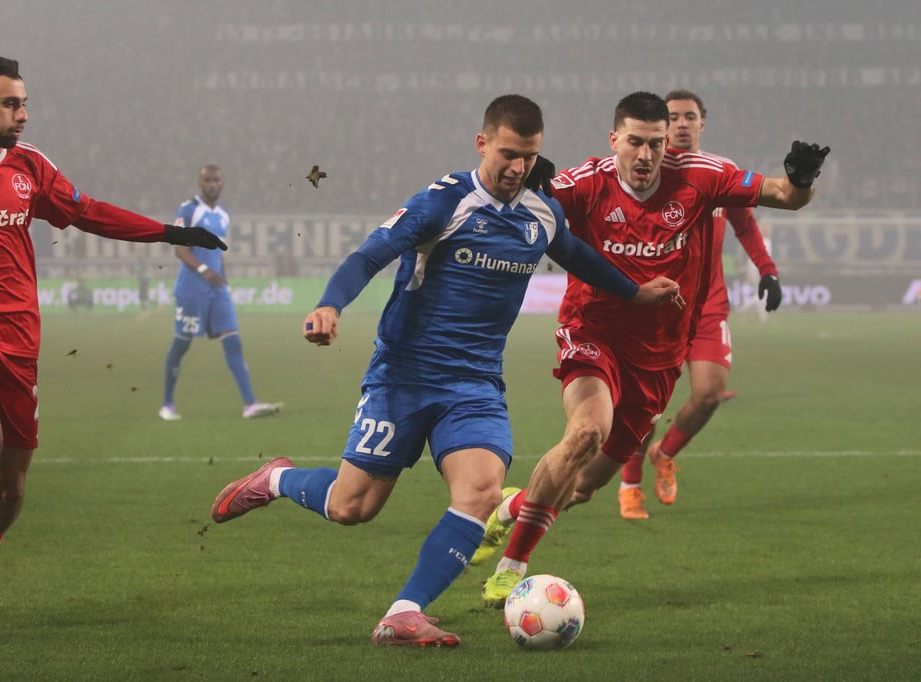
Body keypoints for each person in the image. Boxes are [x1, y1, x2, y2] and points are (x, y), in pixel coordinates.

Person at [209, 94, 682, 647]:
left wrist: (635, 291)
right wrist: (330, 305)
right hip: (403, 375)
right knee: (352, 506)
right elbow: (369, 255)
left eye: (528, 157)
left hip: (475, 383)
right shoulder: (444, 202)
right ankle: (276, 479)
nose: (517, 168)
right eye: (508, 154)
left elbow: (578, 255)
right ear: (482, 144)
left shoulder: (541, 213)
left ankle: (404, 613)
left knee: (479, 493)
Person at [0, 56, 226, 633]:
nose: (23, 114)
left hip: (18, 339)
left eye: (24, 103)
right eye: (11, 104)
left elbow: (88, 212)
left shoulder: (30, 167)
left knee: (11, 487)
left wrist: (170, 232)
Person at [475, 91, 828, 606]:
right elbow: (524, 203)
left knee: (582, 485)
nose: (645, 156)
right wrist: (528, 185)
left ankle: (511, 511)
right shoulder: (588, 181)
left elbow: (786, 196)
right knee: (585, 432)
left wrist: (801, 177)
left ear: (668, 143)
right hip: (593, 331)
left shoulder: (702, 176)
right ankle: (512, 567)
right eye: (634, 142)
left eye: (656, 144)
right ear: (614, 140)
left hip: (660, 353)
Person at [617, 89, 783, 520]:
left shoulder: (717, 174)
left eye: (690, 116)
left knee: (708, 393)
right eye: (673, 118)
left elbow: (745, 224)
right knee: (648, 405)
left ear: (702, 123)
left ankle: (665, 453)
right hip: (659, 305)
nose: (682, 124)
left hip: (708, 304)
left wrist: (767, 269)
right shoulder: (648, 175)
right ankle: (630, 483)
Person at [158, 165, 280, 421]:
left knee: (233, 341)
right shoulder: (189, 209)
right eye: (207, 180)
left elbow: (218, 250)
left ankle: (250, 404)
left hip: (217, 289)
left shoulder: (225, 214)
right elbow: (179, 249)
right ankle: (167, 404)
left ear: (222, 183)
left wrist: (223, 278)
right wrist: (204, 270)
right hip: (192, 290)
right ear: (199, 183)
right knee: (181, 345)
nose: (212, 184)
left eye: (216, 180)